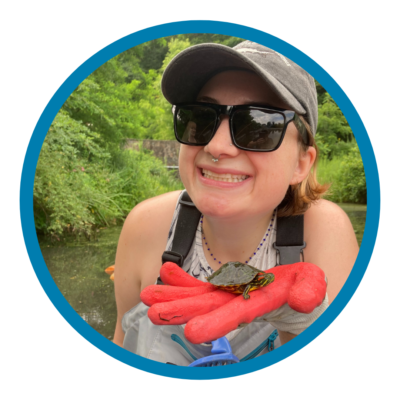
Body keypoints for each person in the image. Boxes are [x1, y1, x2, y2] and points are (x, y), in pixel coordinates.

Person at [112, 40, 359, 364]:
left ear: (301, 163)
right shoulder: (146, 225)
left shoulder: (323, 232)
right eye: (201, 118)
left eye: (258, 126)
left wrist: (303, 324)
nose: (216, 146)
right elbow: (120, 341)